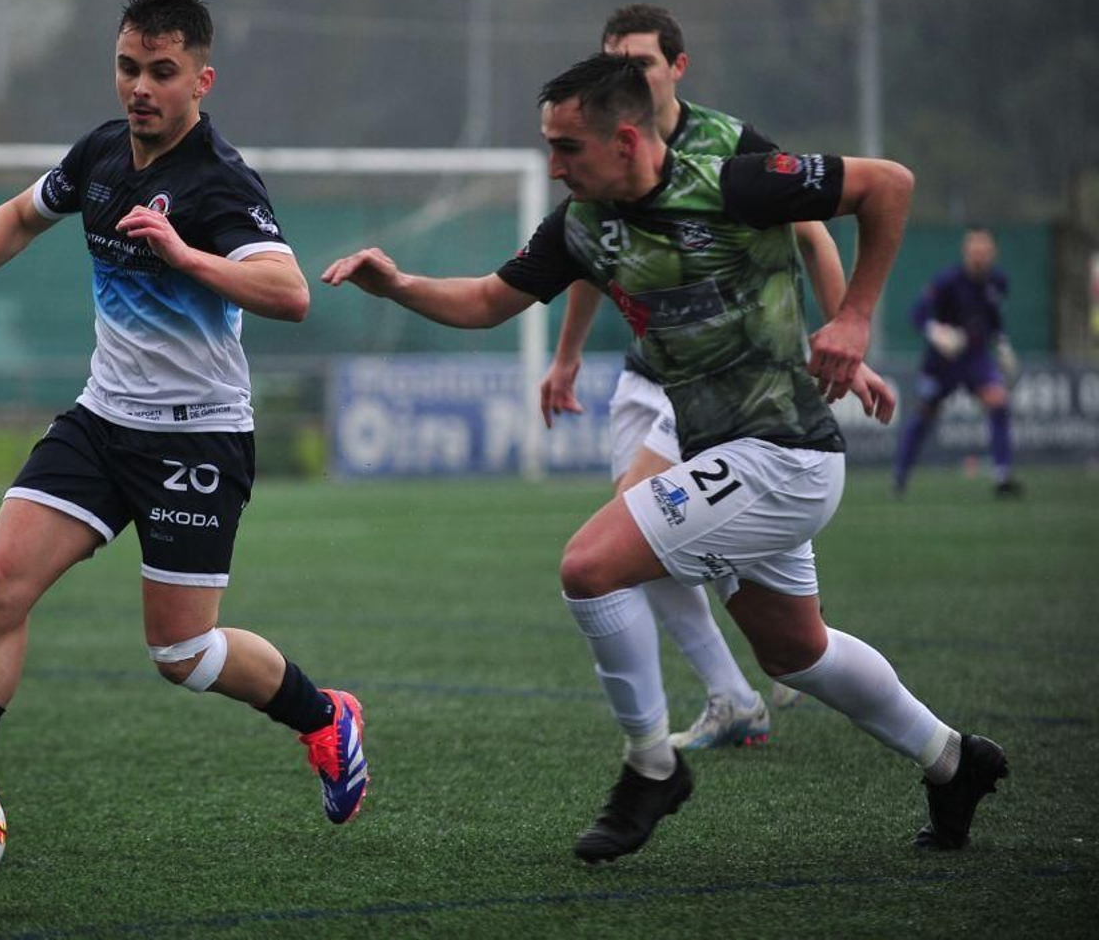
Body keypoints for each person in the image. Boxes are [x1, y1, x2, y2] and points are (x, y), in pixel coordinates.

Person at [323, 53, 1005, 863]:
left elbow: (887, 184)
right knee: (796, 650)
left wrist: (854, 320)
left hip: (786, 455)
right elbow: (485, 301)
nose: (553, 165)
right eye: (547, 145)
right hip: (739, 459)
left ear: (623, 139)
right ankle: (953, 759)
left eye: (566, 146)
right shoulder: (581, 223)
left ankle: (652, 765)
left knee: (590, 564)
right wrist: (397, 282)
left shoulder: (733, 181)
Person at [0, 0, 368, 833]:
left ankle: (324, 716)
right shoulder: (100, 155)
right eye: (128, 67)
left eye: (162, 71)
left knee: (182, 652)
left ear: (203, 80)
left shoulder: (221, 183)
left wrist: (190, 256)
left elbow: (290, 292)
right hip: (102, 420)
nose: (140, 88)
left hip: (197, 436)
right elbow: (18, 214)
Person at [538, 4, 864, 751]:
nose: (626, 73)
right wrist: (565, 358)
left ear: (676, 67)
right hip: (649, 375)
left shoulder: (727, 146)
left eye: (641, 62)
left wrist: (847, 331)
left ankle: (719, 700)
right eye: (612, 59)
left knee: (628, 529)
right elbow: (590, 259)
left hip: (728, 382)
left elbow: (813, 230)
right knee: (643, 542)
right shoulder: (594, 152)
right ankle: (734, 692)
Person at [892, 227, 1022, 497]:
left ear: (992, 253)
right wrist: (937, 332)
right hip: (943, 361)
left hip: (976, 358)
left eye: (984, 251)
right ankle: (900, 478)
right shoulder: (947, 281)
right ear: (966, 251)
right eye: (975, 250)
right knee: (924, 416)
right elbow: (917, 313)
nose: (979, 256)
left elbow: (994, 318)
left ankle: (1002, 476)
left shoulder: (997, 281)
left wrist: (1002, 345)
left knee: (998, 403)